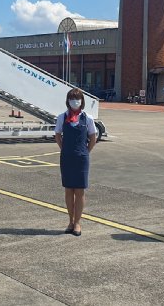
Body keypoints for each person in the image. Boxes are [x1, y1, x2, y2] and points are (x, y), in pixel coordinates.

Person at [54, 88, 98, 236]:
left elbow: (93, 137)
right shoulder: (62, 117)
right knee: (68, 190)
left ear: (82, 101)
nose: (75, 101)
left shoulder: (88, 118)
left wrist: (86, 151)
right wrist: (64, 149)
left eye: (77, 98)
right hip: (67, 158)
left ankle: (78, 222)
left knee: (79, 191)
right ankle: (70, 221)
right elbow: (58, 135)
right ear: (68, 101)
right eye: (72, 98)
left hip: (81, 158)